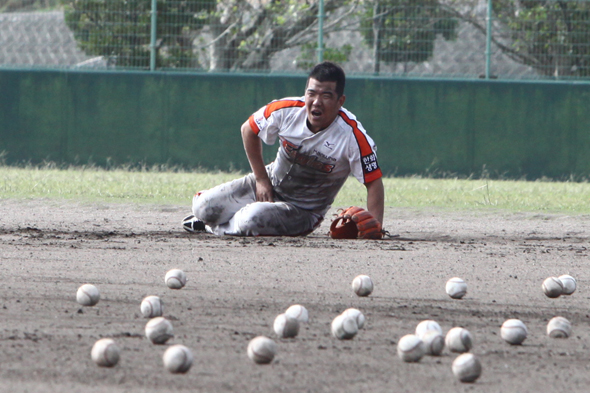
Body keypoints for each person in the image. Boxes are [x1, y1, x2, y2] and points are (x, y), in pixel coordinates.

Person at [182, 61, 384, 237]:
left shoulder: (353, 136)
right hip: (269, 182)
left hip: (302, 210)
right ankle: (209, 219)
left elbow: (373, 181)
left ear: (340, 101)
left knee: (250, 219)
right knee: (203, 207)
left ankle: (211, 228)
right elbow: (248, 129)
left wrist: (375, 227)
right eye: (311, 93)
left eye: (326, 96)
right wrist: (261, 180)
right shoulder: (287, 110)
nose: (316, 101)